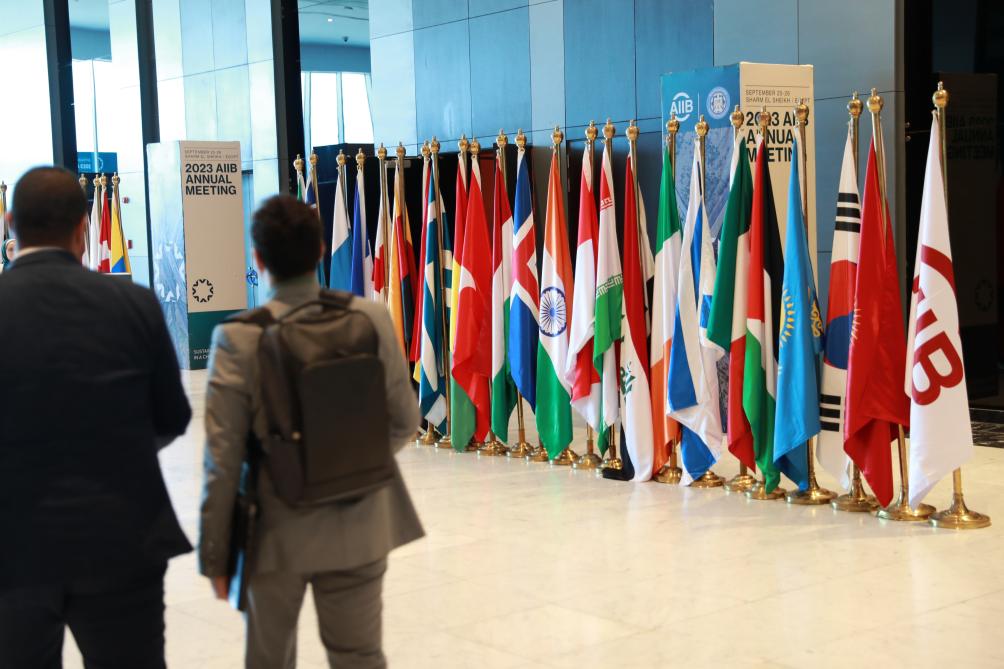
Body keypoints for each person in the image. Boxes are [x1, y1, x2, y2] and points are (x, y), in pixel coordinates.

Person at [199, 195, 422, 668]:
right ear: (321, 250)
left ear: (258, 259)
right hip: (361, 521)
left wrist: (215, 556)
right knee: (359, 657)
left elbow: (222, 460)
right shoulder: (370, 317)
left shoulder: (238, 337)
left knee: (269, 660)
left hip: (275, 531)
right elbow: (405, 421)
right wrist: (347, 463)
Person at [0, 167, 193, 667]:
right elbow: (172, 416)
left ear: (10, 224)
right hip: (121, 539)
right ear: (84, 227)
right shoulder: (134, 304)